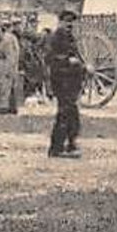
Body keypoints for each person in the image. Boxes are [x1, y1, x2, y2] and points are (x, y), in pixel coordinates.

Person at [47, 9, 85, 158]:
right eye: (67, 22)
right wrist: (67, 60)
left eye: (72, 22)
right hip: (61, 80)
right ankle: (56, 148)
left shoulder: (70, 38)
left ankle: (71, 143)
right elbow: (49, 58)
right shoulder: (55, 37)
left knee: (72, 114)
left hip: (72, 81)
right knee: (64, 114)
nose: (69, 25)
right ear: (60, 22)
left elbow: (77, 56)